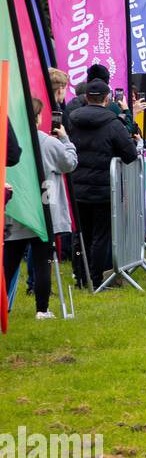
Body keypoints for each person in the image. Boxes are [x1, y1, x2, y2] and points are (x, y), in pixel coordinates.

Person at [3, 98, 77, 319]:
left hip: (16, 209)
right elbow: (70, 163)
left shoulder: (8, 144)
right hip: (44, 209)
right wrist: (65, 138)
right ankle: (42, 309)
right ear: (37, 117)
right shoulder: (48, 142)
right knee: (43, 261)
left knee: (9, 262)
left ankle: (2, 304)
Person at [65, 71, 139, 290]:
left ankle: (80, 276)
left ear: (86, 97)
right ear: (107, 99)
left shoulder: (73, 121)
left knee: (82, 235)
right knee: (101, 236)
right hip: (104, 189)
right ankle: (96, 279)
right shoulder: (113, 123)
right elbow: (130, 155)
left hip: (78, 188)